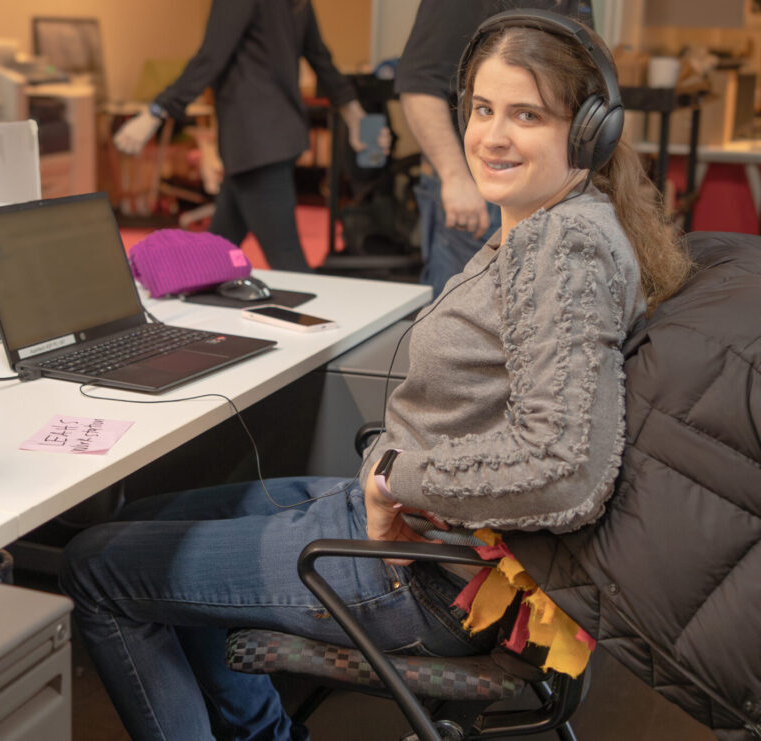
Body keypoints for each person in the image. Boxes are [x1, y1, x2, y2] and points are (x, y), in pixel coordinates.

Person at [61, 11, 692, 741]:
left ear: (588, 132)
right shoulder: (552, 219)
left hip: (426, 573)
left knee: (96, 566)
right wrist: (392, 474)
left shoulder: (565, 249)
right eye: (482, 109)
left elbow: (565, 466)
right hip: (429, 538)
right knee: (147, 524)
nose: (491, 135)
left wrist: (397, 477)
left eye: (527, 115)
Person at [114, 0, 375, 273]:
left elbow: (211, 57)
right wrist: (356, 116)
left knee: (289, 265)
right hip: (271, 138)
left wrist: (157, 111)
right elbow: (322, 59)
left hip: (255, 143)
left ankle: (322, 317)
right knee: (214, 255)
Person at [395, 0, 593, 296]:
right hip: (477, 191)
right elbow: (419, 86)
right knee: (461, 323)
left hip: (552, 190)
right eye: (483, 109)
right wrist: (456, 177)